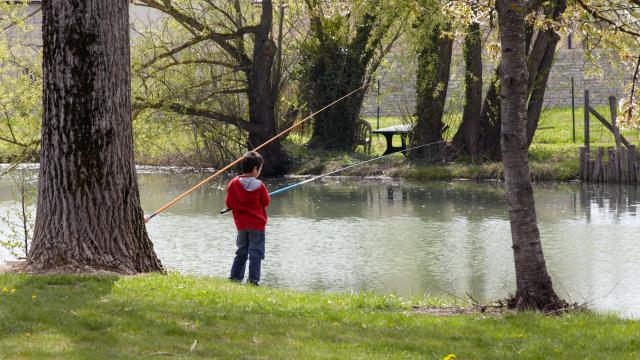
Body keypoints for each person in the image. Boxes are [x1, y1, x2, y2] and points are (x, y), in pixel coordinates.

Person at [225, 151, 270, 286]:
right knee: (256, 253)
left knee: (241, 252)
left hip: (241, 226)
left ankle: (235, 278)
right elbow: (266, 202)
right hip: (257, 226)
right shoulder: (260, 185)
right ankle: (253, 281)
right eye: (260, 168)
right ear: (255, 169)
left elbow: (229, 203)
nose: (260, 171)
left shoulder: (233, 184)